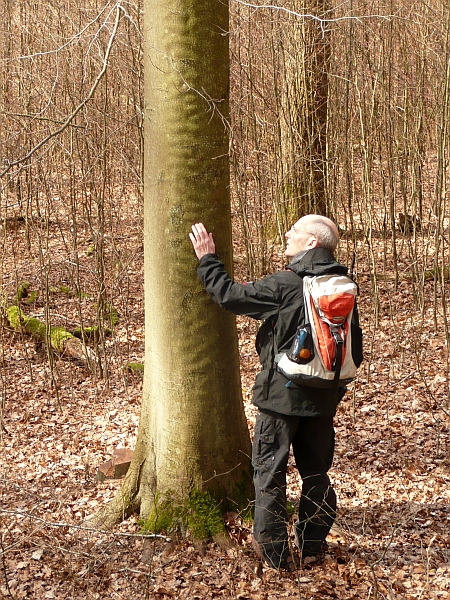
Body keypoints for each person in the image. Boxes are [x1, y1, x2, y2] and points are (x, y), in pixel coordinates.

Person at [189, 215, 350, 570]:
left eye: (293, 233)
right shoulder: (342, 285)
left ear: (311, 243)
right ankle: (311, 547)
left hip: (280, 399)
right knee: (316, 474)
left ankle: (276, 557)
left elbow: (231, 295)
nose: (286, 237)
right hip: (323, 399)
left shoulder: (288, 284)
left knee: (269, 475)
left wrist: (207, 259)